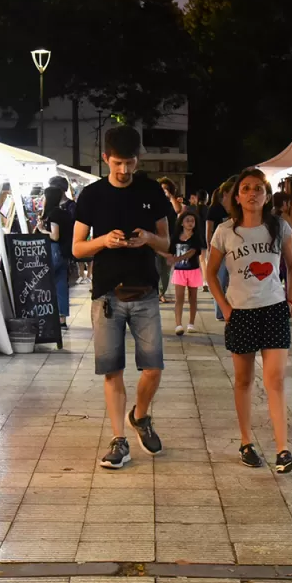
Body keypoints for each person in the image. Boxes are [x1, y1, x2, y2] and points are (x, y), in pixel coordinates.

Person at [73, 126, 170, 469]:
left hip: (145, 292)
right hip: (107, 296)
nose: (124, 170)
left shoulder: (151, 190)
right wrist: (103, 241)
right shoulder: (91, 195)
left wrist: (147, 238)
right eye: (118, 163)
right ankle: (119, 440)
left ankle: (140, 416)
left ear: (137, 160)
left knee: (154, 368)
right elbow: (77, 247)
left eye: (130, 163)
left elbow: (166, 242)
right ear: (105, 159)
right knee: (112, 371)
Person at [206, 168, 292, 472]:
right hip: (241, 311)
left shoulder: (279, 228)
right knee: (244, 380)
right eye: (245, 188)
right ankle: (246, 442)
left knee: (275, 379)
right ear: (237, 196)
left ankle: (282, 450)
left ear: (267, 194)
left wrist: (290, 300)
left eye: (258, 189)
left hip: (273, 308)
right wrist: (225, 306)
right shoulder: (225, 231)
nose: (252, 194)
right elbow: (210, 272)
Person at [41, 185, 74, 328]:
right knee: (61, 286)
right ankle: (62, 319)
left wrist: (42, 230)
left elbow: (55, 236)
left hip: (54, 251)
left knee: (45, 283)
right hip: (64, 252)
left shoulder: (53, 214)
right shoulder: (64, 213)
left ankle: (47, 316)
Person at [206, 176, 238, 319]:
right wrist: (209, 246)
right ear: (224, 193)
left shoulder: (236, 210)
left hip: (233, 250)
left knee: (231, 281)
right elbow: (209, 229)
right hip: (219, 249)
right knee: (219, 279)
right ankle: (220, 312)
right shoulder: (215, 208)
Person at [171, 211, 204, 335]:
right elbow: (170, 251)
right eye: (187, 220)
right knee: (179, 298)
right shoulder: (175, 237)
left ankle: (191, 323)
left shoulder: (196, 237)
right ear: (182, 223)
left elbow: (193, 252)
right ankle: (178, 324)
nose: (190, 223)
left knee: (193, 298)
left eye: (192, 221)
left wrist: (176, 259)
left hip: (193, 270)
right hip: (179, 271)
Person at [156, 177, 182, 303]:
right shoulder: (155, 202)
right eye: (162, 189)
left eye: (166, 189)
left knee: (166, 270)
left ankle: (161, 292)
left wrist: (170, 196)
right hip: (156, 239)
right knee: (156, 268)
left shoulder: (172, 203)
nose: (164, 191)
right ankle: (156, 293)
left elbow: (178, 210)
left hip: (170, 239)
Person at [272, 191, 292, 285]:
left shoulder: (271, 215)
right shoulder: (284, 216)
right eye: (289, 203)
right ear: (284, 203)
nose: (289, 206)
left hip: (277, 250)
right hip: (290, 250)